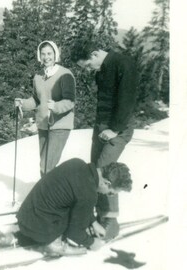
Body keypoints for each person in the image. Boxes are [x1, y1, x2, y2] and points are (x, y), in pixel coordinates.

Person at [0, 158, 132, 256]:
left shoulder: (77, 163)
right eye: (112, 193)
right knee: (72, 218)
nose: (109, 195)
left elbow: (76, 195)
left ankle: (15, 237)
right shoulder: (89, 194)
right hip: (42, 230)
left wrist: (93, 222)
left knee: (64, 205)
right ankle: (54, 244)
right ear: (106, 183)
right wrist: (91, 242)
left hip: (25, 216)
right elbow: (74, 232)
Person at [71, 42, 138, 238]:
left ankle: (110, 221)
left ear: (94, 54)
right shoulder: (103, 69)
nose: (89, 70)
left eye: (88, 65)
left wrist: (115, 129)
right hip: (102, 126)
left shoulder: (123, 64)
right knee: (94, 171)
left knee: (105, 172)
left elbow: (127, 99)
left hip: (118, 128)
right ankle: (96, 217)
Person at [15, 41, 76, 177]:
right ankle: (49, 193)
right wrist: (23, 103)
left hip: (60, 125)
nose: (46, 57)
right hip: (43, 124)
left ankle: (48, 195)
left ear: (55, 55)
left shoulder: (65, 74)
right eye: (43, 54)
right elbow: (36, 100)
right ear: (39, 56)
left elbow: (70, 101)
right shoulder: (38, 76)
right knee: (45, 163)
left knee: (47, 165)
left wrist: (56, 106)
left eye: (49, 53)